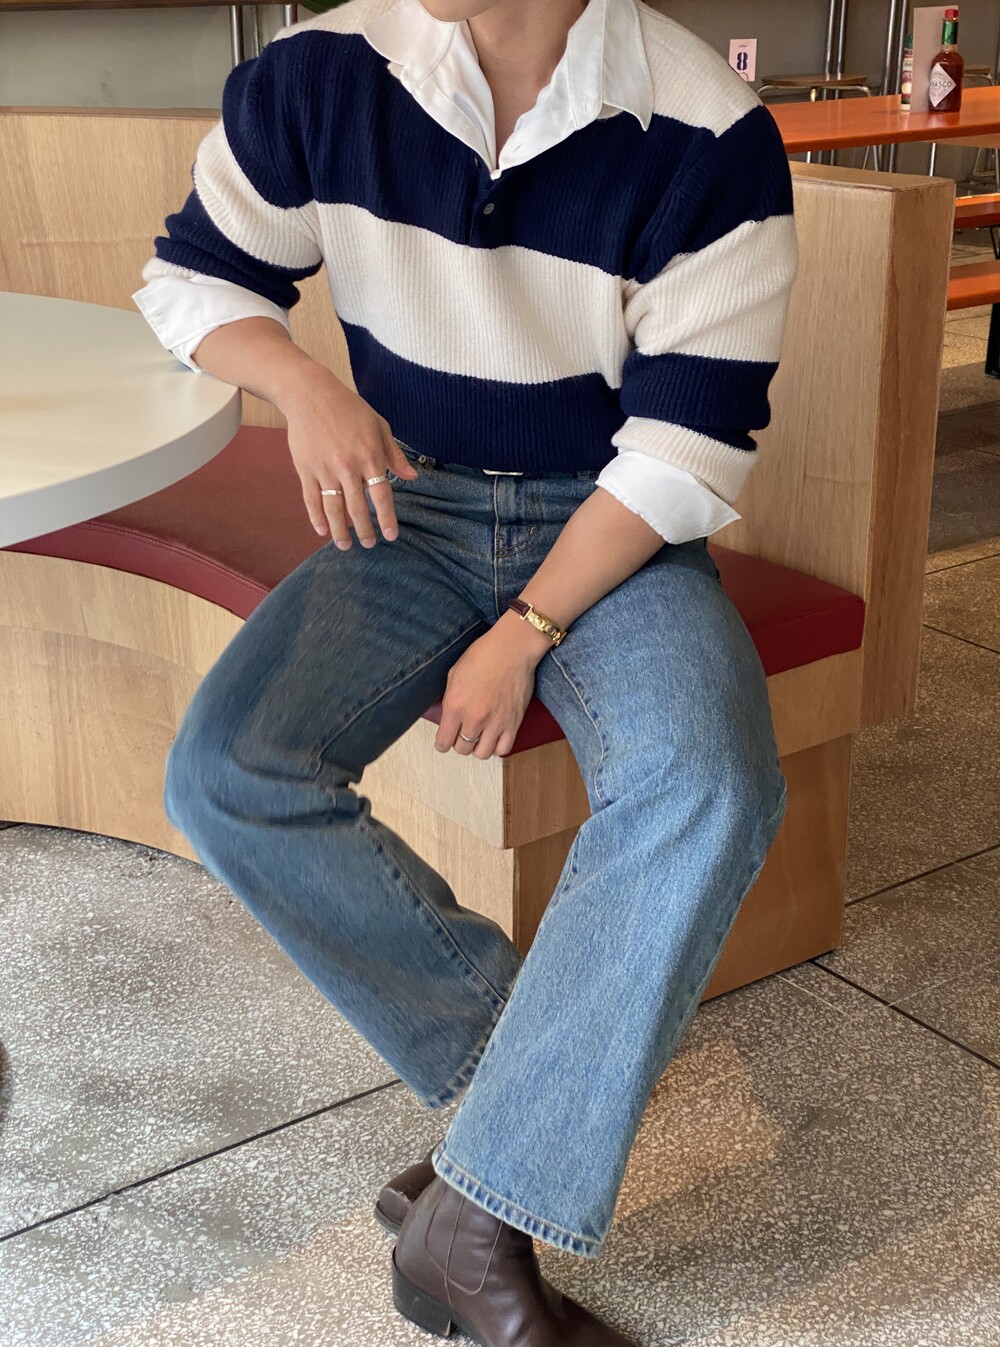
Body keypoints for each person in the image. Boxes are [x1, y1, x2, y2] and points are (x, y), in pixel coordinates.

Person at [132, 0, 798, 1341]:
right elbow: (194, 279)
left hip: (612, 526)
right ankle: (518, 1096)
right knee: (230, 773)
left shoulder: (706, 132)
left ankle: (472, 1220)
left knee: (709, 785)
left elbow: (687, 449)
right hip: (409, 502)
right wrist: (306, 387)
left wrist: (526, 631)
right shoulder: (321, 75)